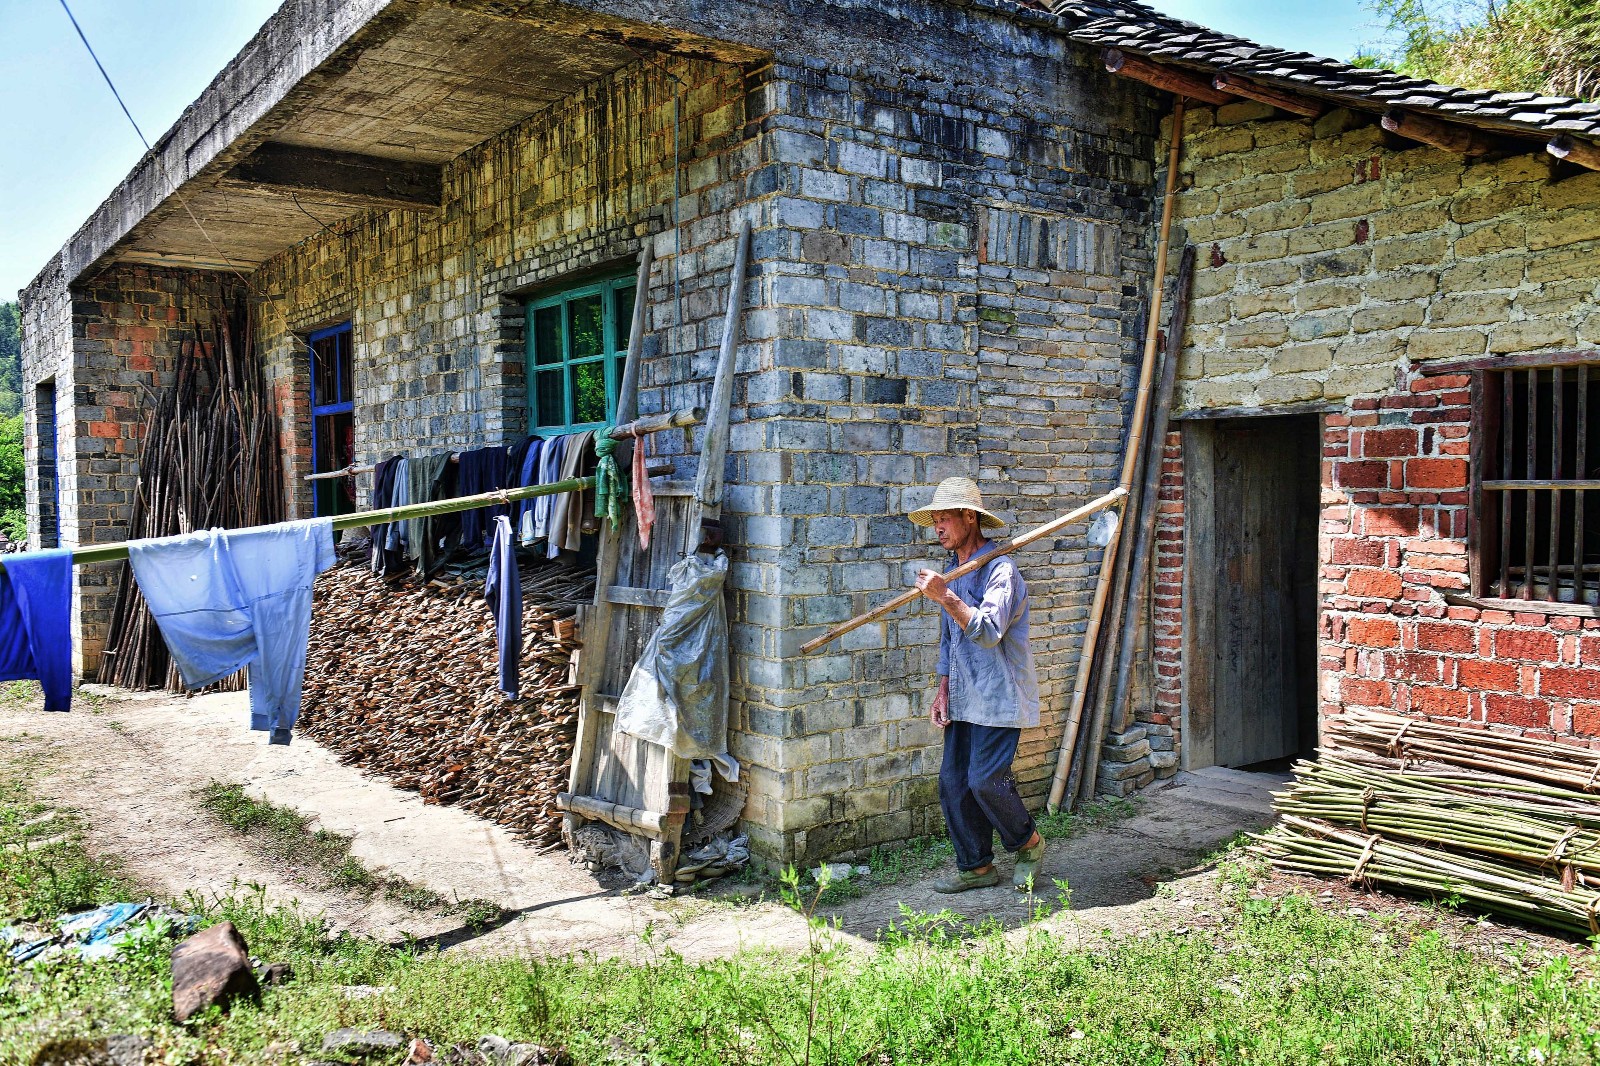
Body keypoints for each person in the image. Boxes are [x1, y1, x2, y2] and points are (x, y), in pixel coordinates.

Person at [910, 477, 1047, 892]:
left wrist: (946, 597)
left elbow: (987, 631)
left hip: (1000, 695)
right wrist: (942, 687)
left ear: (970, 517)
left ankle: (1029, 844)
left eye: (945, 518)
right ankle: (977, 867)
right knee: (952, 783)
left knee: (985, 780)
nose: (938, 527)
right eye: (934, 520)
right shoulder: (953, 572)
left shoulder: (1001, 570)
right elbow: (949, 640)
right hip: (965, 695)